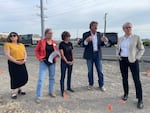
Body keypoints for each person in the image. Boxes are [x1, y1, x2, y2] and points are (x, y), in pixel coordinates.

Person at [116, 22, 145, 109]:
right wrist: (118, 55)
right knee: (124, 78)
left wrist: (137, 57)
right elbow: (118, 48)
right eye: (127, 27)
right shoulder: (120, 38)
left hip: (133, 60)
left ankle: (140, 99)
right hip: (123, 60)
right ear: (123, 29)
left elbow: (141, 49)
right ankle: (126, 94)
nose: (129, 29)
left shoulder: (136, 37)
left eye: (130, 27)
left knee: (136, 79)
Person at [82, 21, 108, 91]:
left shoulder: (100, 34)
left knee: (100, 70)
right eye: (94, 26)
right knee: (90, 70)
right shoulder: (85, 34)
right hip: (89, 55)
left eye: (97, 25)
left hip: (97, 54)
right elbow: (83, 44)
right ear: (90, 27)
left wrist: (105, 41)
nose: (96, 27)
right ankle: (91, 84)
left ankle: (101, 85)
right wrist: (86, 41)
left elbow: (103, 44)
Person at [35, 28, 58, 103]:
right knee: (41, 79)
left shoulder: (54, 42)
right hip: (44, 62)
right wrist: (39, 58)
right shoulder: (41, 42)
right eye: (49, 33)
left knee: (52, 78)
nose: (51, 34)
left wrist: (57, 55)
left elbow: (55, 51)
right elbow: (36, 50)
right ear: (46, 34)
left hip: (52, 62)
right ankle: (38, 96)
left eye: (52, 33)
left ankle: (51, 91)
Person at [3, 32, 28, 99]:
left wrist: (25, 59)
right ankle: (14, 92)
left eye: (14, 35)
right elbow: (8, 55)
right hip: (13, 63)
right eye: (11, 36)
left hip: (22, 62)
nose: (13, 37)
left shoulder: (21, 45)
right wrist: (16, 61)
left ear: (17, 37)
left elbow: (25, 53)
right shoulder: (7, 44)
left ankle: (20, 88)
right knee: (15, 77)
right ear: (9, 37)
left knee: (23, 76)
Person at [59, 31, 74, 97]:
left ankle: (69, 87)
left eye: (69, 36)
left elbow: (72, 52)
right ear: (64, 37)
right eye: (68, 37)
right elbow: (62, 54)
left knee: (69, 75)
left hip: (70, 61)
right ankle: (62, 91)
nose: (69, 38)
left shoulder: (70, 43)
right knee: (63, 76)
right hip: (64, 62)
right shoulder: (61, 44)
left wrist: (73, 60)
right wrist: (66, 61)